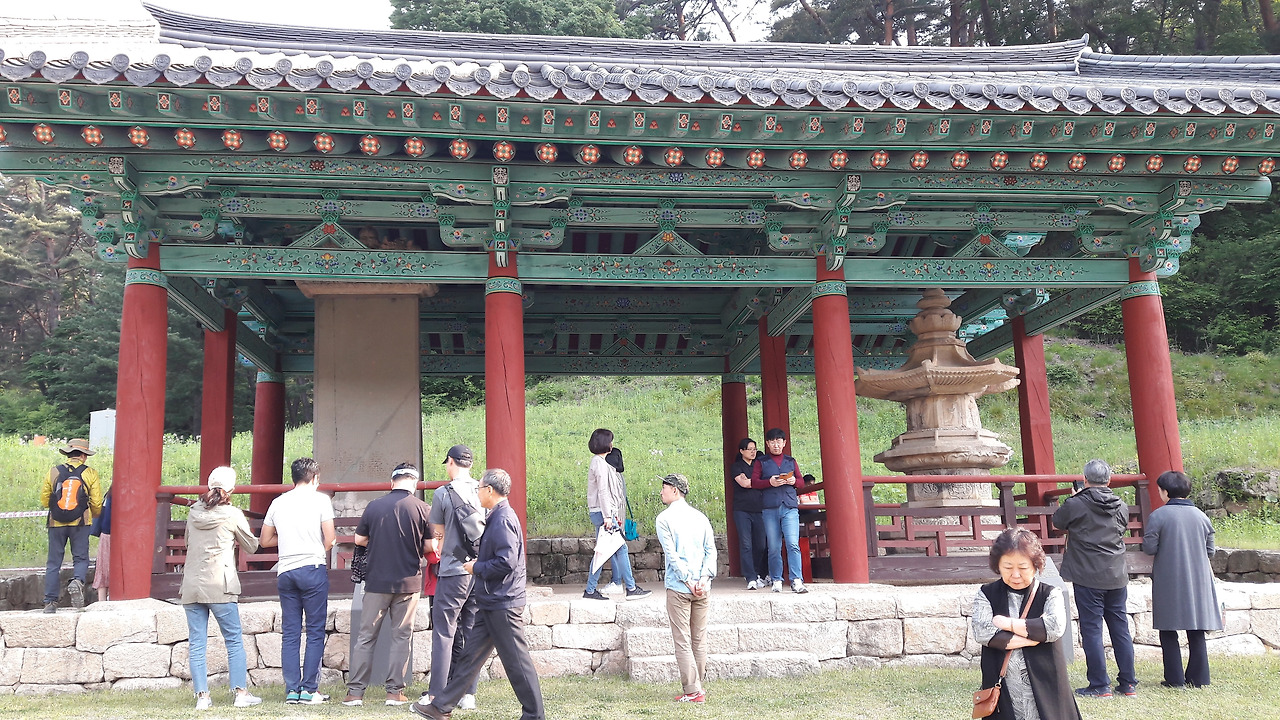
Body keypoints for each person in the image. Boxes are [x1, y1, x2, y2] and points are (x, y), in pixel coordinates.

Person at [410, 469, 545, 720]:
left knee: (517, 662)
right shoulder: (497, 516)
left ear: (490, 491)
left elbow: (506, 562)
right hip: (491, 601)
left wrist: (477, 568)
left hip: (503, 602)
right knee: (470, 657)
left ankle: (534, 715)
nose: (477, 492)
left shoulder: (502, 518)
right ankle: (441, 707)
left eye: (479, 488)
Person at [343, 463, 432, 707]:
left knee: (366, 637)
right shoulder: (423, 508)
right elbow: (429, 546)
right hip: (408, 582)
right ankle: (394, 692)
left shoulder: (374, 506)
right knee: (401, 637)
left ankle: (355, 693)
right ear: (414, 483)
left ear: (392, 482)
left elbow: (359, 539)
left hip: (376, 582)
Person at [972, 528, 1081, 720]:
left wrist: (1006, 623)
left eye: (1022, 568)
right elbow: (983, 632)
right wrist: (1034, 635)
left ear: (1036, 565)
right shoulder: (986, 594)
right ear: (998, 565)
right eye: (1007, 567)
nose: (1015, 575)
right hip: (1002, 685)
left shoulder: (1050, 593)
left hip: (1047, 683)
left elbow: (1054, 628)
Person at [1050, 459, 1137, 698]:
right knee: (1120, 628)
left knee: (1092, 629)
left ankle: (1100, 684)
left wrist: (1076, 497)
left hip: (1087, 574)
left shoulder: (1076, 503)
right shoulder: (1121, 505)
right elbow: (1121, 528)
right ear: (1109, 480)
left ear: (1085, 479)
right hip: (1116, 573)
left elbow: (1057, 522)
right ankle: (1128, 683)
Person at [180, 466, 262, 711]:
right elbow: (251, 546)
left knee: (197, 642)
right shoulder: (232, 514)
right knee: (233, 639)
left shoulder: (193, 512)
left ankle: (202, 697)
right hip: (221, 585)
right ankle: (240, 693)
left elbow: (187, 541)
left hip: (192, 584)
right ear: (232, 489)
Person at [260, 457, 336, 704]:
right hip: (312, 568)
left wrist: (286, 540)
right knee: (314, 631)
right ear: (315, 478)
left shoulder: (278, 502)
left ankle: (292, 689)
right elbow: (330, 539)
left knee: (291, 633)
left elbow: (265, 540)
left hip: (286, 571)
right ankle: (309, 689)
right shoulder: (321, 500)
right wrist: (316, 547)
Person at [1143, 470, 1222, 689]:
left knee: (1168, 629)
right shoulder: (1202, 516)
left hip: (1169, 578)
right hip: (1199, 579)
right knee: (1197, 629)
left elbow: (1149, 547)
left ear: (1165, 492)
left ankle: (1174, 678)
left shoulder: (1158, 516)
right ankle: (1199, 678)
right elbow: (1210, 551)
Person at [425, 444, 484, 710]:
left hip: (453, 569)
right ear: (470, 464)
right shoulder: (483, 489)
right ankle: (468, 692)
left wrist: (441, 544)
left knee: (444, 631)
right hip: (478, 569)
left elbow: (438, 533)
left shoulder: (443, 493)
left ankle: (436, 693)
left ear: (451, 462)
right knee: (471, 631)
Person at [655, 473, 717, 704]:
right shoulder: (700, 517)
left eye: (664, 487)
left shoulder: (664, 519)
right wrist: (703, 578)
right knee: (699, 639)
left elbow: (672, 555)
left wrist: (688, 581)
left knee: (682, 639)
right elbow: (711, 551)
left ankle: (693, 690)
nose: (661, 492)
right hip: (703, 586)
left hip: (680, 587)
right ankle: (697, 686)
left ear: (674, 490)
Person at [583, 429, 651, 601]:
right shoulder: (600, 464)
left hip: (603, 512)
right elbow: (603, 492)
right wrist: (608, 516)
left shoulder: (599, 462)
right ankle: (631, 588)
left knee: (603, 551)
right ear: (606, 443)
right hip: (603, 513)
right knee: (620, 549)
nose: (612, 444)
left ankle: (590, 590)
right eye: (610, 441)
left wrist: (612, 514)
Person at [40, 438, 104, 613]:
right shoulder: (90, 473)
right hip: (80, 523)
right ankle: (77, 580)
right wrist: (94, 515)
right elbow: (96, 502)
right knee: (80, 558)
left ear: (68, 454)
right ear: (83, 455)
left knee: (54, 562)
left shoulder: (53, 471)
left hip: (56, 522)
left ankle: (50, 602)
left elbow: (45, 499)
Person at [750, 428, 811, 593]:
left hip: (789, 507)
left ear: (784, 443)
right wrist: (769, 482)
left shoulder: (791, 461)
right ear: (768, 443)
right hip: (769, 508)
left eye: (779, 441)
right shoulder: (761, 462)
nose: (776, 445)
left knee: (792, 544)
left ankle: (796, 579)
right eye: (772, 442)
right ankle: (776, 579)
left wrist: (793, 481)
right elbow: (754, 482)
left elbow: (801, 483)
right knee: (774, 546)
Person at [730, 438, 769, 590]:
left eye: (754, 449)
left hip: (759, 509)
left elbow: (763, 483)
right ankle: (750, 577)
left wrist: (755, 482)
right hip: (742, 510)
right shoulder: (736, 467)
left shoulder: (759, 466)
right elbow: (744, 483)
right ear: (742, 451)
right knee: (746, 544)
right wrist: (758, 482)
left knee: (761, 545)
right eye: (749, 449)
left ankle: (758, 573)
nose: (753, 452)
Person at [89, 486, 112, 602]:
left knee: (103, 570)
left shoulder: (109, 495)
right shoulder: (126, 494)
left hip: (105, 535)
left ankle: (101, 601)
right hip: (120, 537)